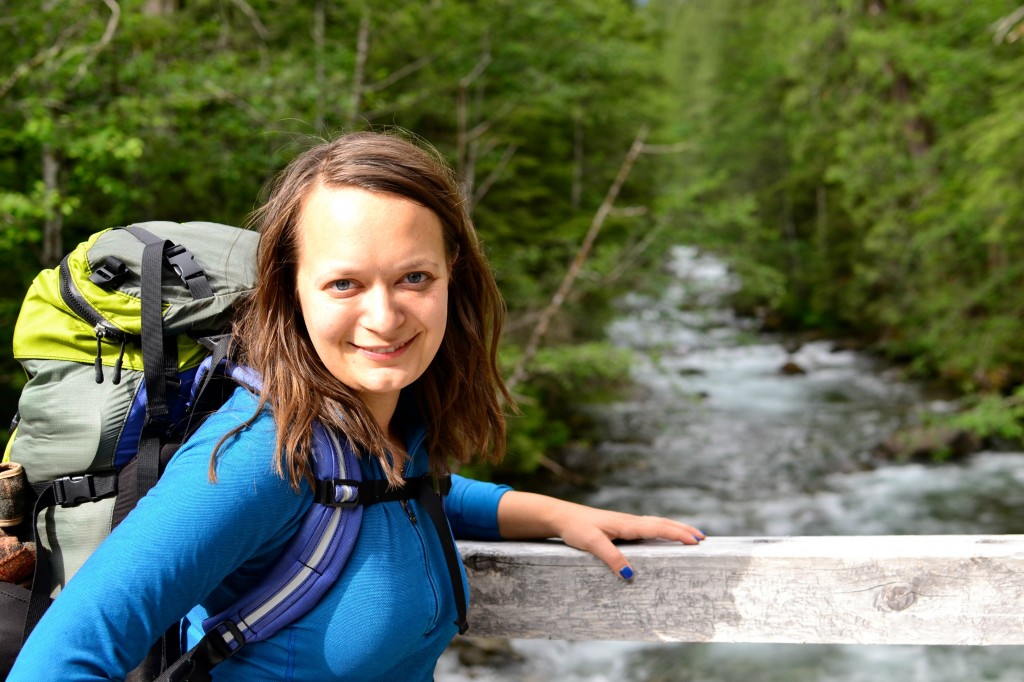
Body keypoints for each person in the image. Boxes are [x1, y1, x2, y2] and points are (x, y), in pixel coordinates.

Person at [9, 130, 705, 681]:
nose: (385, 316)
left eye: (413, 277)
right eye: (345, 283)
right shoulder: (253, 457)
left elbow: (394, 493)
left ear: (452, 276)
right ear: (292, 289)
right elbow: (61, 660)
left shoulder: (378, 434)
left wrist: (552, 513)